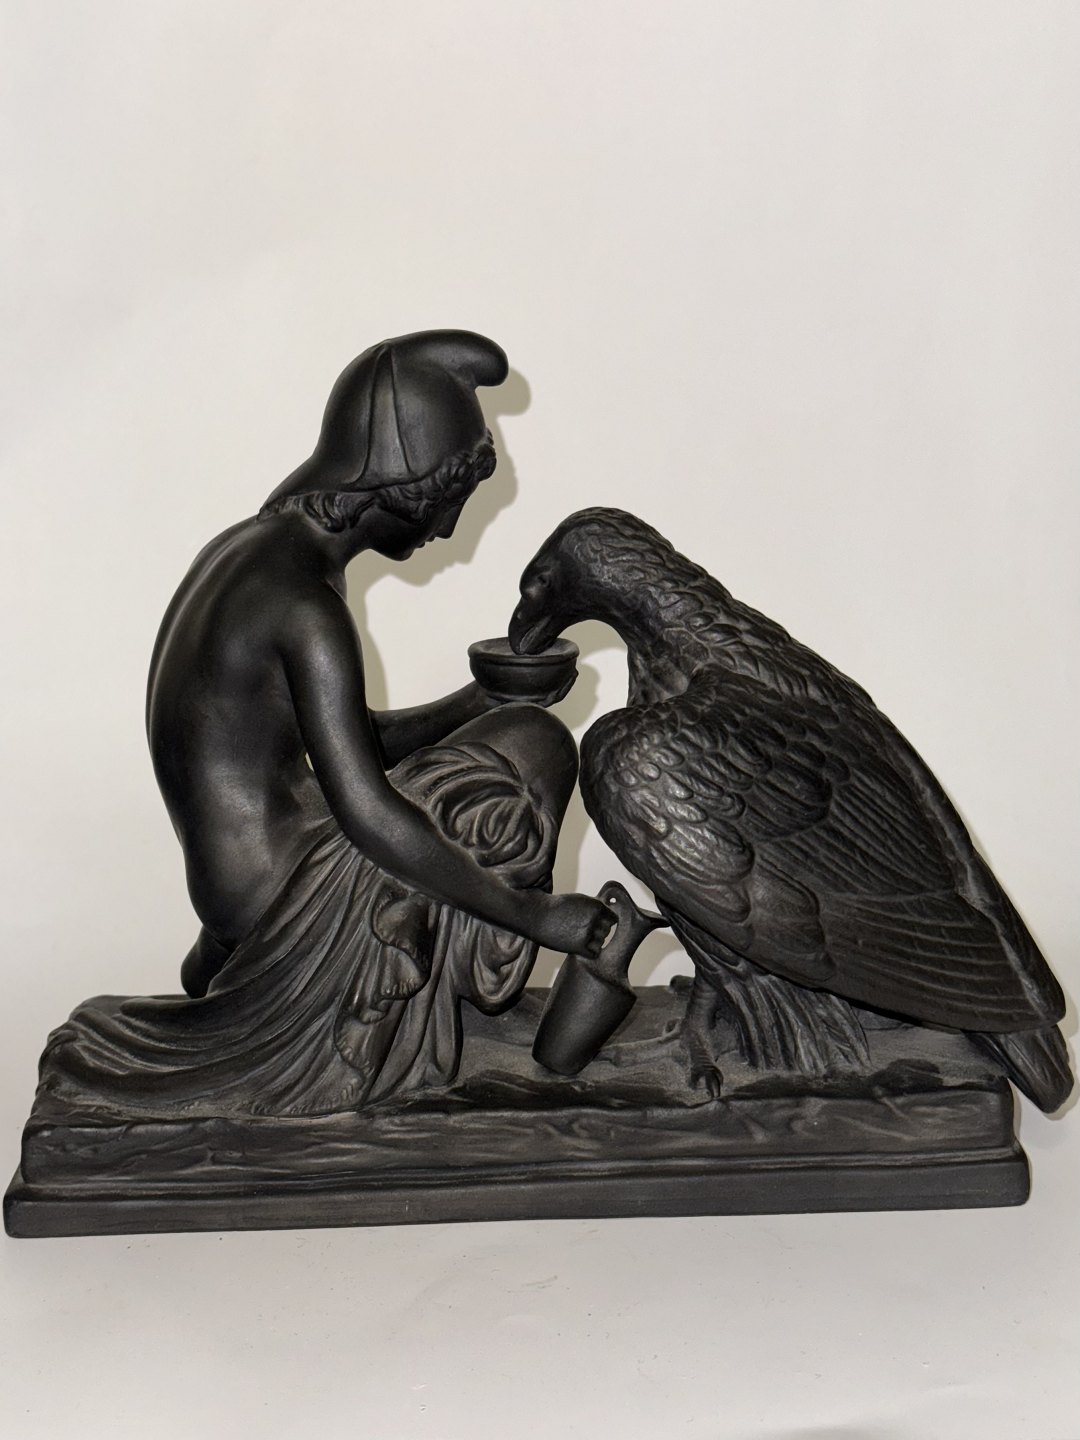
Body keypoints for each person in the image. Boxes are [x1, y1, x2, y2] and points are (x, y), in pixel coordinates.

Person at [45, 331, 615, 1114]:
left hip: (232, 881)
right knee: (539, 747)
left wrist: (476, 703)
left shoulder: (247, 554)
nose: (448, 530)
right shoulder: (307, 607)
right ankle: (399, 1011)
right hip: (277, 892)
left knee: (509, 730)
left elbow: (338, 746)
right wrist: (534, 914)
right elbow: (368, 810)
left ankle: (316, 973)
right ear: (394, 487)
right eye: (445, 503)